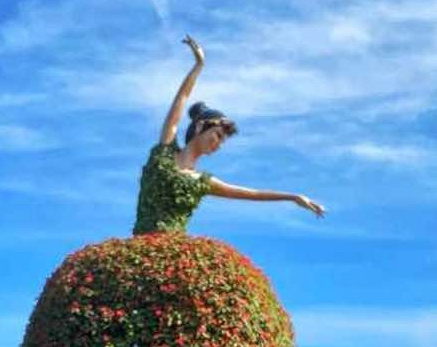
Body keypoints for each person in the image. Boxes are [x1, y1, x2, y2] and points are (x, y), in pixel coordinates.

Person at [133, 35, 326, 235]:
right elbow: (181, 99)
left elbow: (252, 194)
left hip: (173, 253)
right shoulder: (165, 150)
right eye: (217, 135)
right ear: (200, 127)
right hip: (142, 248)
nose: (219, 144)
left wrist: (292, 197)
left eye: (222, 141)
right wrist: (198, 66)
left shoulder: (202, 181)